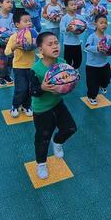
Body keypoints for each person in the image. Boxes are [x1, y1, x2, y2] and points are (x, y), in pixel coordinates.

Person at [29, 32, 77, 179]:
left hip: (58, 104)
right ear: (40, 50)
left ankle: (57, 142)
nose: (55, 46)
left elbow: (68, 81)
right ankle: (41, 163)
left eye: (56, 43)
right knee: (42, 138)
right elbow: (32, 91)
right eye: (50, 44)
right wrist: (42, 88)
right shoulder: (36, 69)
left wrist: (71, 81)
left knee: (71, 128)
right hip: (42, 110)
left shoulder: (62, 62)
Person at [5, 11, 36, 118]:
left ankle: (27, 106)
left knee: (30, 88)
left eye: (30, 21)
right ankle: (15, 105)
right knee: (21, 88)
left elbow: (38, 44)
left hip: (31, 66)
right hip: (19, 67)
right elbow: (7, 52)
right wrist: (14, 47)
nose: (29, 23)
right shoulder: (14, 37)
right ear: (17, 24)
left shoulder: (33, 34)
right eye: (25, 21)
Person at [84, 15, 111, 105]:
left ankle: (103, 85)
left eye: (105, 23)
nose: (104, 25)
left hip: (104, 63)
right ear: (95, 24)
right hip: (92, 65)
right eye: (101, 23)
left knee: (107, 78)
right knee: (92, 83)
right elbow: (87, 47)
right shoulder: (92, 36)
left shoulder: (108, 37)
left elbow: (110, 48)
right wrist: (97, 48)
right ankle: (91, 96)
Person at [59, 0, 84, 70]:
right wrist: (67, 29)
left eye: (75, 4)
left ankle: (75, 70)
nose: (74, 6)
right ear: (66, 7)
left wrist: (82, 28)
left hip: (77, 43)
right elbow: (61, 29)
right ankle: (68, 73)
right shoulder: (64, 18)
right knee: (68, 61)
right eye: (72, 5)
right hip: (68, 44)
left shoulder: (79, 17)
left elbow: (84, 25)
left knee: (78, 61)